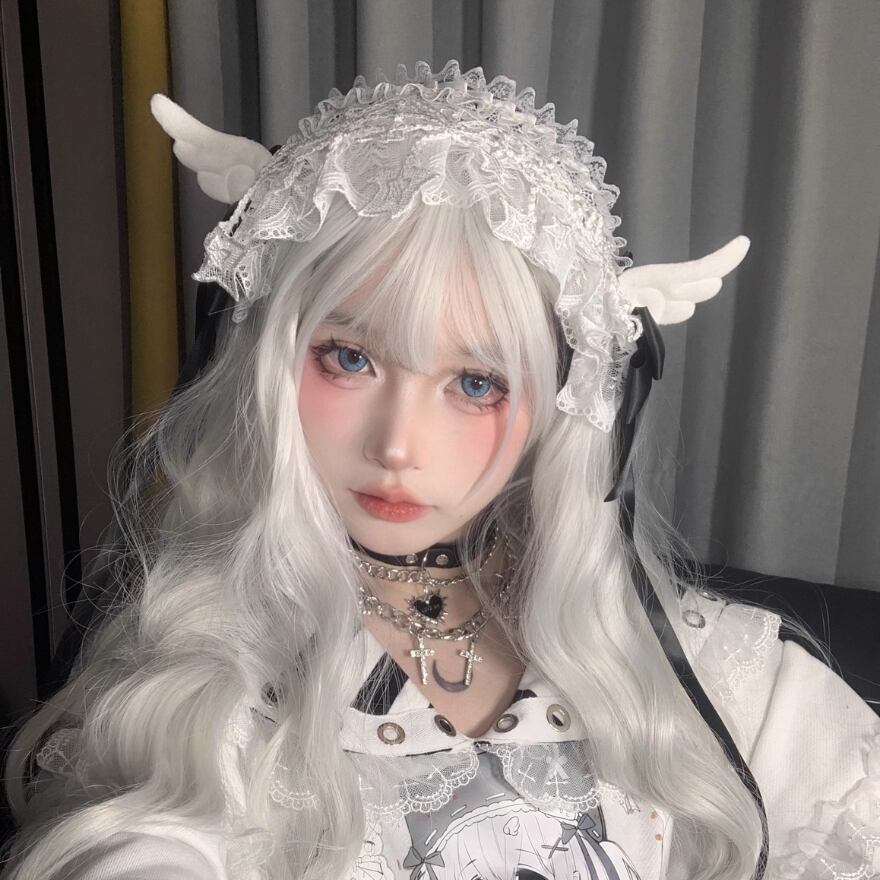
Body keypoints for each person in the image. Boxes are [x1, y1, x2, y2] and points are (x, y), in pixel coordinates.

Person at [1, 59, 877, 880]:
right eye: (349, 359)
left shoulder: (736, 683)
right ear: (271, 362)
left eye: (475, 383)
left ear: (561, 406)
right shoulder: (193, 693)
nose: (398, 446)